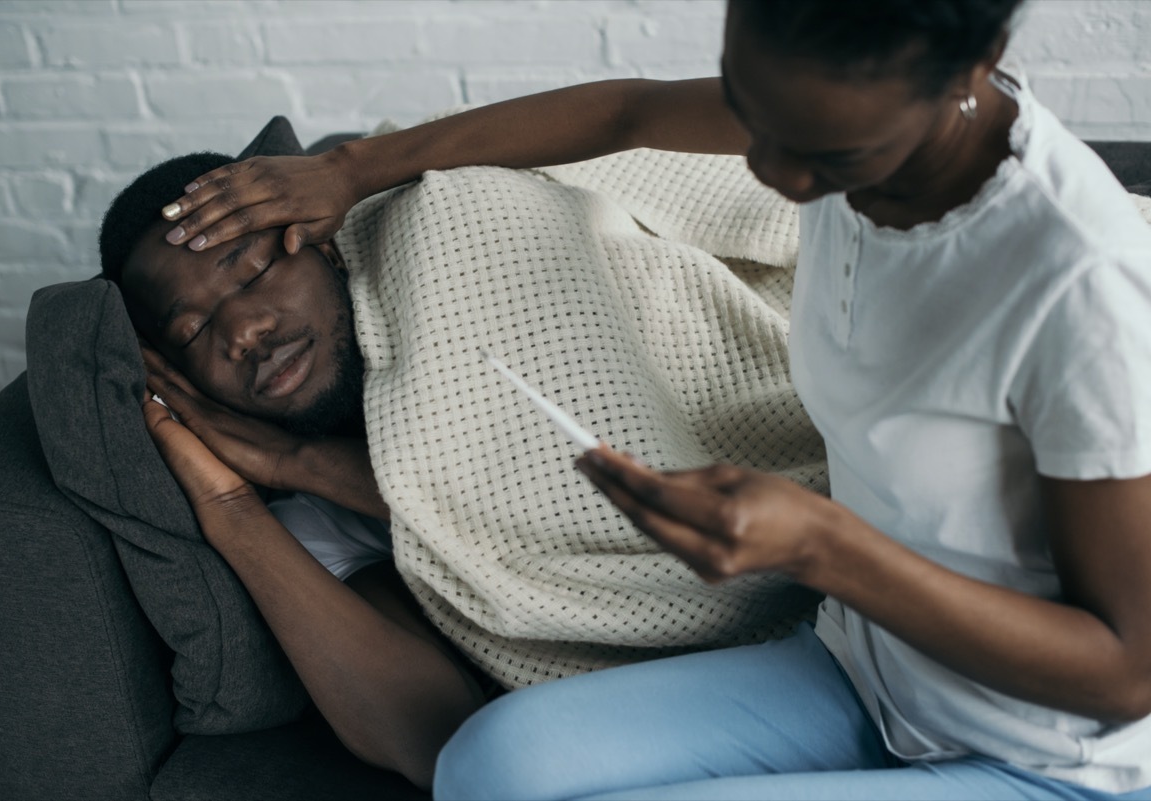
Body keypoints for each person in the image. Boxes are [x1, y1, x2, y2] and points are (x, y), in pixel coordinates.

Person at [153, 0, 1151, 797]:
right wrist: (352, 166)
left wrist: (821, 547)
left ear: (971, 70)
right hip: (864, 666)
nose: (774, 172)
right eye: (752, 116)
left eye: (825, 158)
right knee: (487, 770)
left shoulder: (1080, 285)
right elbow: (624, 114)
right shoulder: (819, 107)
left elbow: (1126, 672)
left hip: (1044, 758)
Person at [99, 152, 488, 790]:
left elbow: (578, 496)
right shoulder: (309, 512)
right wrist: (233, 510)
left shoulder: (448, 299)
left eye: (251, 276)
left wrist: (304, 461)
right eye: (193, 331)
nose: (245, 331)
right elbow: (433, 740)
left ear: (327, 248)